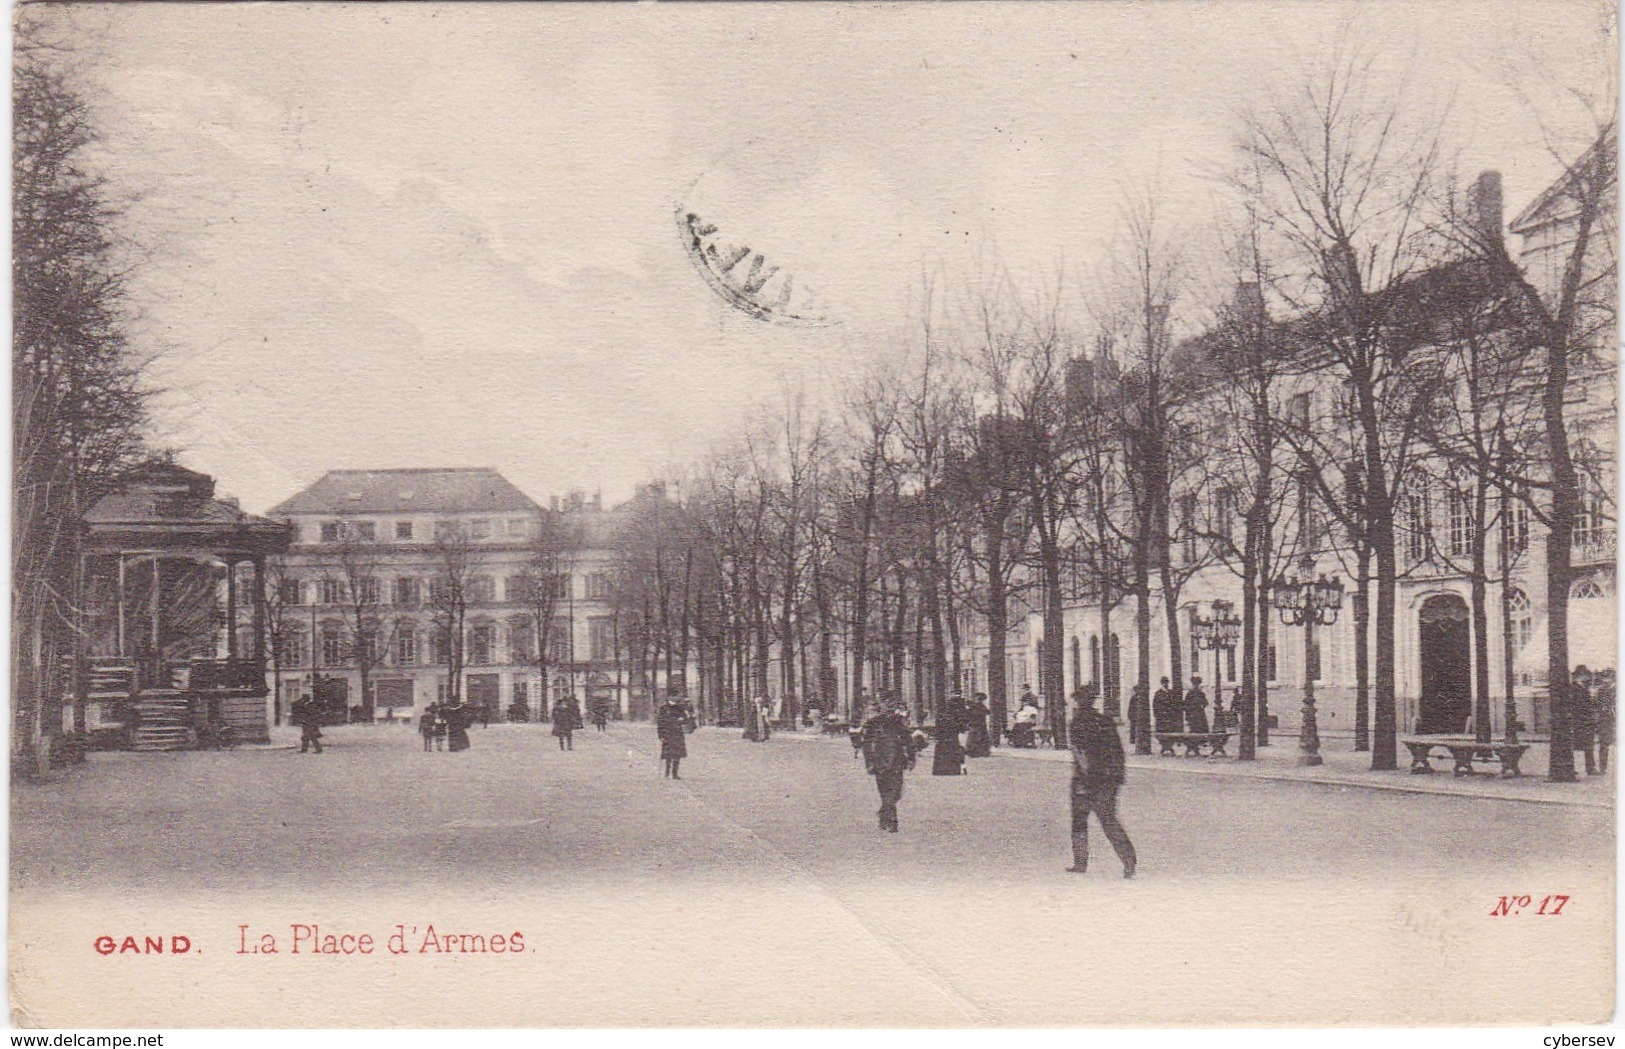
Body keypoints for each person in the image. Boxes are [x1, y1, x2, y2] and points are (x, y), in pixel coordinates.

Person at [1067, 689, 1136, 878]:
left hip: (1086, 779)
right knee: (1109, 820)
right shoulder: (1106, 722)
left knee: (1079, 820)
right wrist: (1117, 776)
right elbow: (1117, 752)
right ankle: (1129, 861)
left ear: (1078, 703)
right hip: (1108, 779)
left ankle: (1080, 862)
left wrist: (1084, 779)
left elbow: (1080, 754)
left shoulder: (1077, 724)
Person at [861, 700, 918, 832]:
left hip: (895, 760)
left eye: (891, 708)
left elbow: (908, 741)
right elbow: (866, 745)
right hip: (880, 760)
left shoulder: (898, 723)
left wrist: (911, 757)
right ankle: (892, 819)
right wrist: (869, 762)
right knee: (886, 789)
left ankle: (884, 813)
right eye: (886, 708)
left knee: (895, 791)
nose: (889, 711)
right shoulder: (872, 724)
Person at [656, 692, 696, 778]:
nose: (674, 699)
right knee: (668, 754)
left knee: (677, 754)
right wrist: (661, 735)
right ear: (669, 698)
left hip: (677, 733)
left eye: (675, 697)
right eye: (672, 697)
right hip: (667, 733)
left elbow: (685, 720)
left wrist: (682, 720)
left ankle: (675, 773)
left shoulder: (679, 708)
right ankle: (667, 772)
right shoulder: (663, 709)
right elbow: (660, 723)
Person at [1571, 666, 1598, 775]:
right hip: (1578, 721)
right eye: (1586, 675)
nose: (1588, 678)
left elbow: (1590, 705)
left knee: (1589, 745)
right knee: (1572, 745)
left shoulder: (1586, 689)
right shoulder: (1573, 689)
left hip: (1587, 721)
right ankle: (1570, 767)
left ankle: (1590, 768)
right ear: (1580, 676)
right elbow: (1576, 705)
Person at [932, 694, 967, 775]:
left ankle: (941, 770)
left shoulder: (942, 713)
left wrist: (937, 736)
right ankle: (952, 769)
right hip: (952, 736)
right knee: (952, 751)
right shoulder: (956, 714)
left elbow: (938, 725)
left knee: (943, 751)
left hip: (943, 737)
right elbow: (961, 726)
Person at [1595, 670, 1615, 774]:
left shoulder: (1616, 690)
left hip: (1613, 720)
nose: (1606, 681)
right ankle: (1603, 767)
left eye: (1608, 678)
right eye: (1604, 678)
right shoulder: (1601, 691)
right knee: (1604, 744)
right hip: (1606, 721)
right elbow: (1597, 706)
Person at [964, 692, 992, 758]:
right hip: (975, 723)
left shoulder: (981, 706)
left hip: (981, 723)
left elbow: (988, 712)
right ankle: (973, 751)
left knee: (981, 737)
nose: (980, 701)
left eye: (981, 699)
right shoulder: (972, 706)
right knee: (974, 737)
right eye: (979, 699)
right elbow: (967, 715)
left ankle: (982, 751)